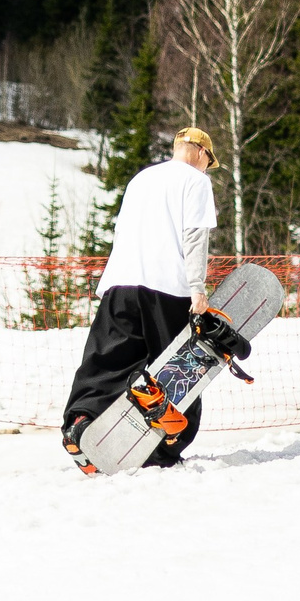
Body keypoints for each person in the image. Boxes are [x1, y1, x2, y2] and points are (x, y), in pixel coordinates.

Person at [62, 127, 222, 470]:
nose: (208, 168)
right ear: (198, 151)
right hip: (167, 286)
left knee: (107, 361)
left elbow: (121, 231)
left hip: (120, 283)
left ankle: (81, 423)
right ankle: (165, 445)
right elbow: (194, 237)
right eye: (209, 160)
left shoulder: (142, 178)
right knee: (179, 368)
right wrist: (197, 289)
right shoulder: (196, 182)